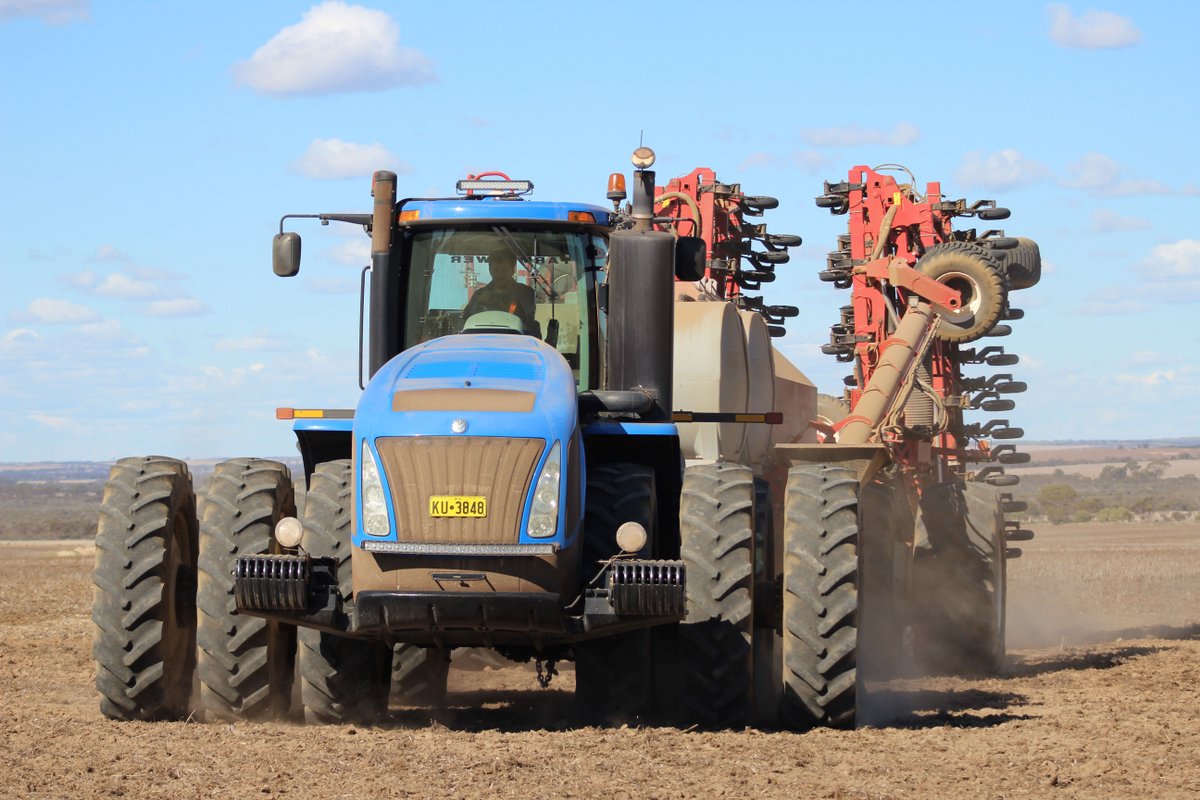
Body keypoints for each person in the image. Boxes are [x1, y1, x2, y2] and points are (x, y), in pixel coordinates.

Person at [462, 250, 538, 335]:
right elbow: (466, 322)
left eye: (504, 270)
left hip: (518, 343)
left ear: (513, 270)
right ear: (490, 270)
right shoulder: (479, 296)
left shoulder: (526, 293)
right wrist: (480, 304)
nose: (500, 274)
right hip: (482, 342)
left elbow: (529, 323)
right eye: (496, 270)